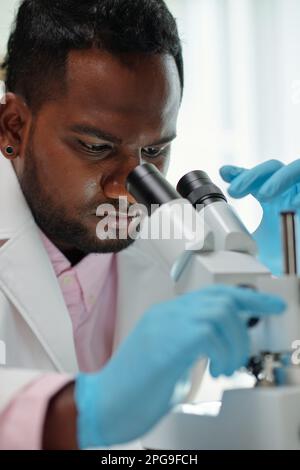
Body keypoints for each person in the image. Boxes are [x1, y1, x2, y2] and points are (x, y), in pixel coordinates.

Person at [0, 0, 290, 450]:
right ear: (13, 127)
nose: (127, 188)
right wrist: (81, 411)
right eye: (96, 148)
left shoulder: (171, 246)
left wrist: (273, 271)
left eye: (154, 152)